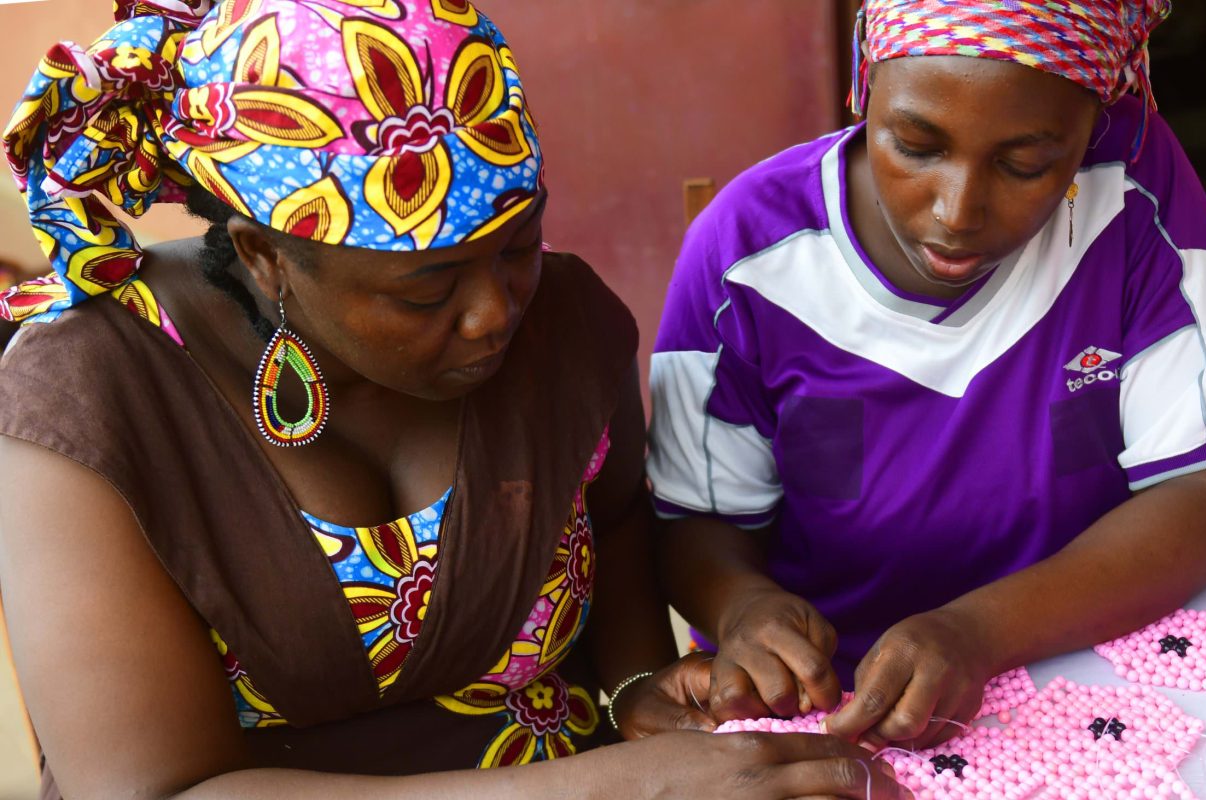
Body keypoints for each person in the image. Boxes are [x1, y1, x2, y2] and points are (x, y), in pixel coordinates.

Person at [0, 1, 908, 797]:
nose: (493, 315)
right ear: (264, 255)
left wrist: (637, 688)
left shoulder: (566, 326)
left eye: (519, 246)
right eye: (427, 291)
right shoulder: (90, 398)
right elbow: (147, 789)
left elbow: (620, 522)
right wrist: (609, 790)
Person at [650, 0, 1206, 752]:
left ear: (1093, 127)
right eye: (914, 146)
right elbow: (693, 520)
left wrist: (979, 632)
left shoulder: (1131, 205)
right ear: (863, 89)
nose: (957, 210)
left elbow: (1205, 494)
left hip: (1083, 674)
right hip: (824, 703)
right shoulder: (747, 251)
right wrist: (744, 606)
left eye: (1026, 165)